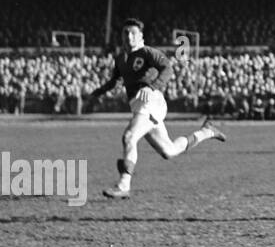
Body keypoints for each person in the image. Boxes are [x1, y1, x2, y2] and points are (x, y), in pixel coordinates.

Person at [92, 19, 226, 200]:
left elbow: (167, 68)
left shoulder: (148, 52)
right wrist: (96, 93)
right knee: (168, 151)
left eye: (133, 33)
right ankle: (206, 132)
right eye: (126, 33)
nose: (129, 36)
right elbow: (115, 81)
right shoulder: (121, 59)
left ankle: (124, 184)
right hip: (139, 107)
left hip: (152, 102)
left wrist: (152, 86)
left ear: (141, 36)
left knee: (129, 137)